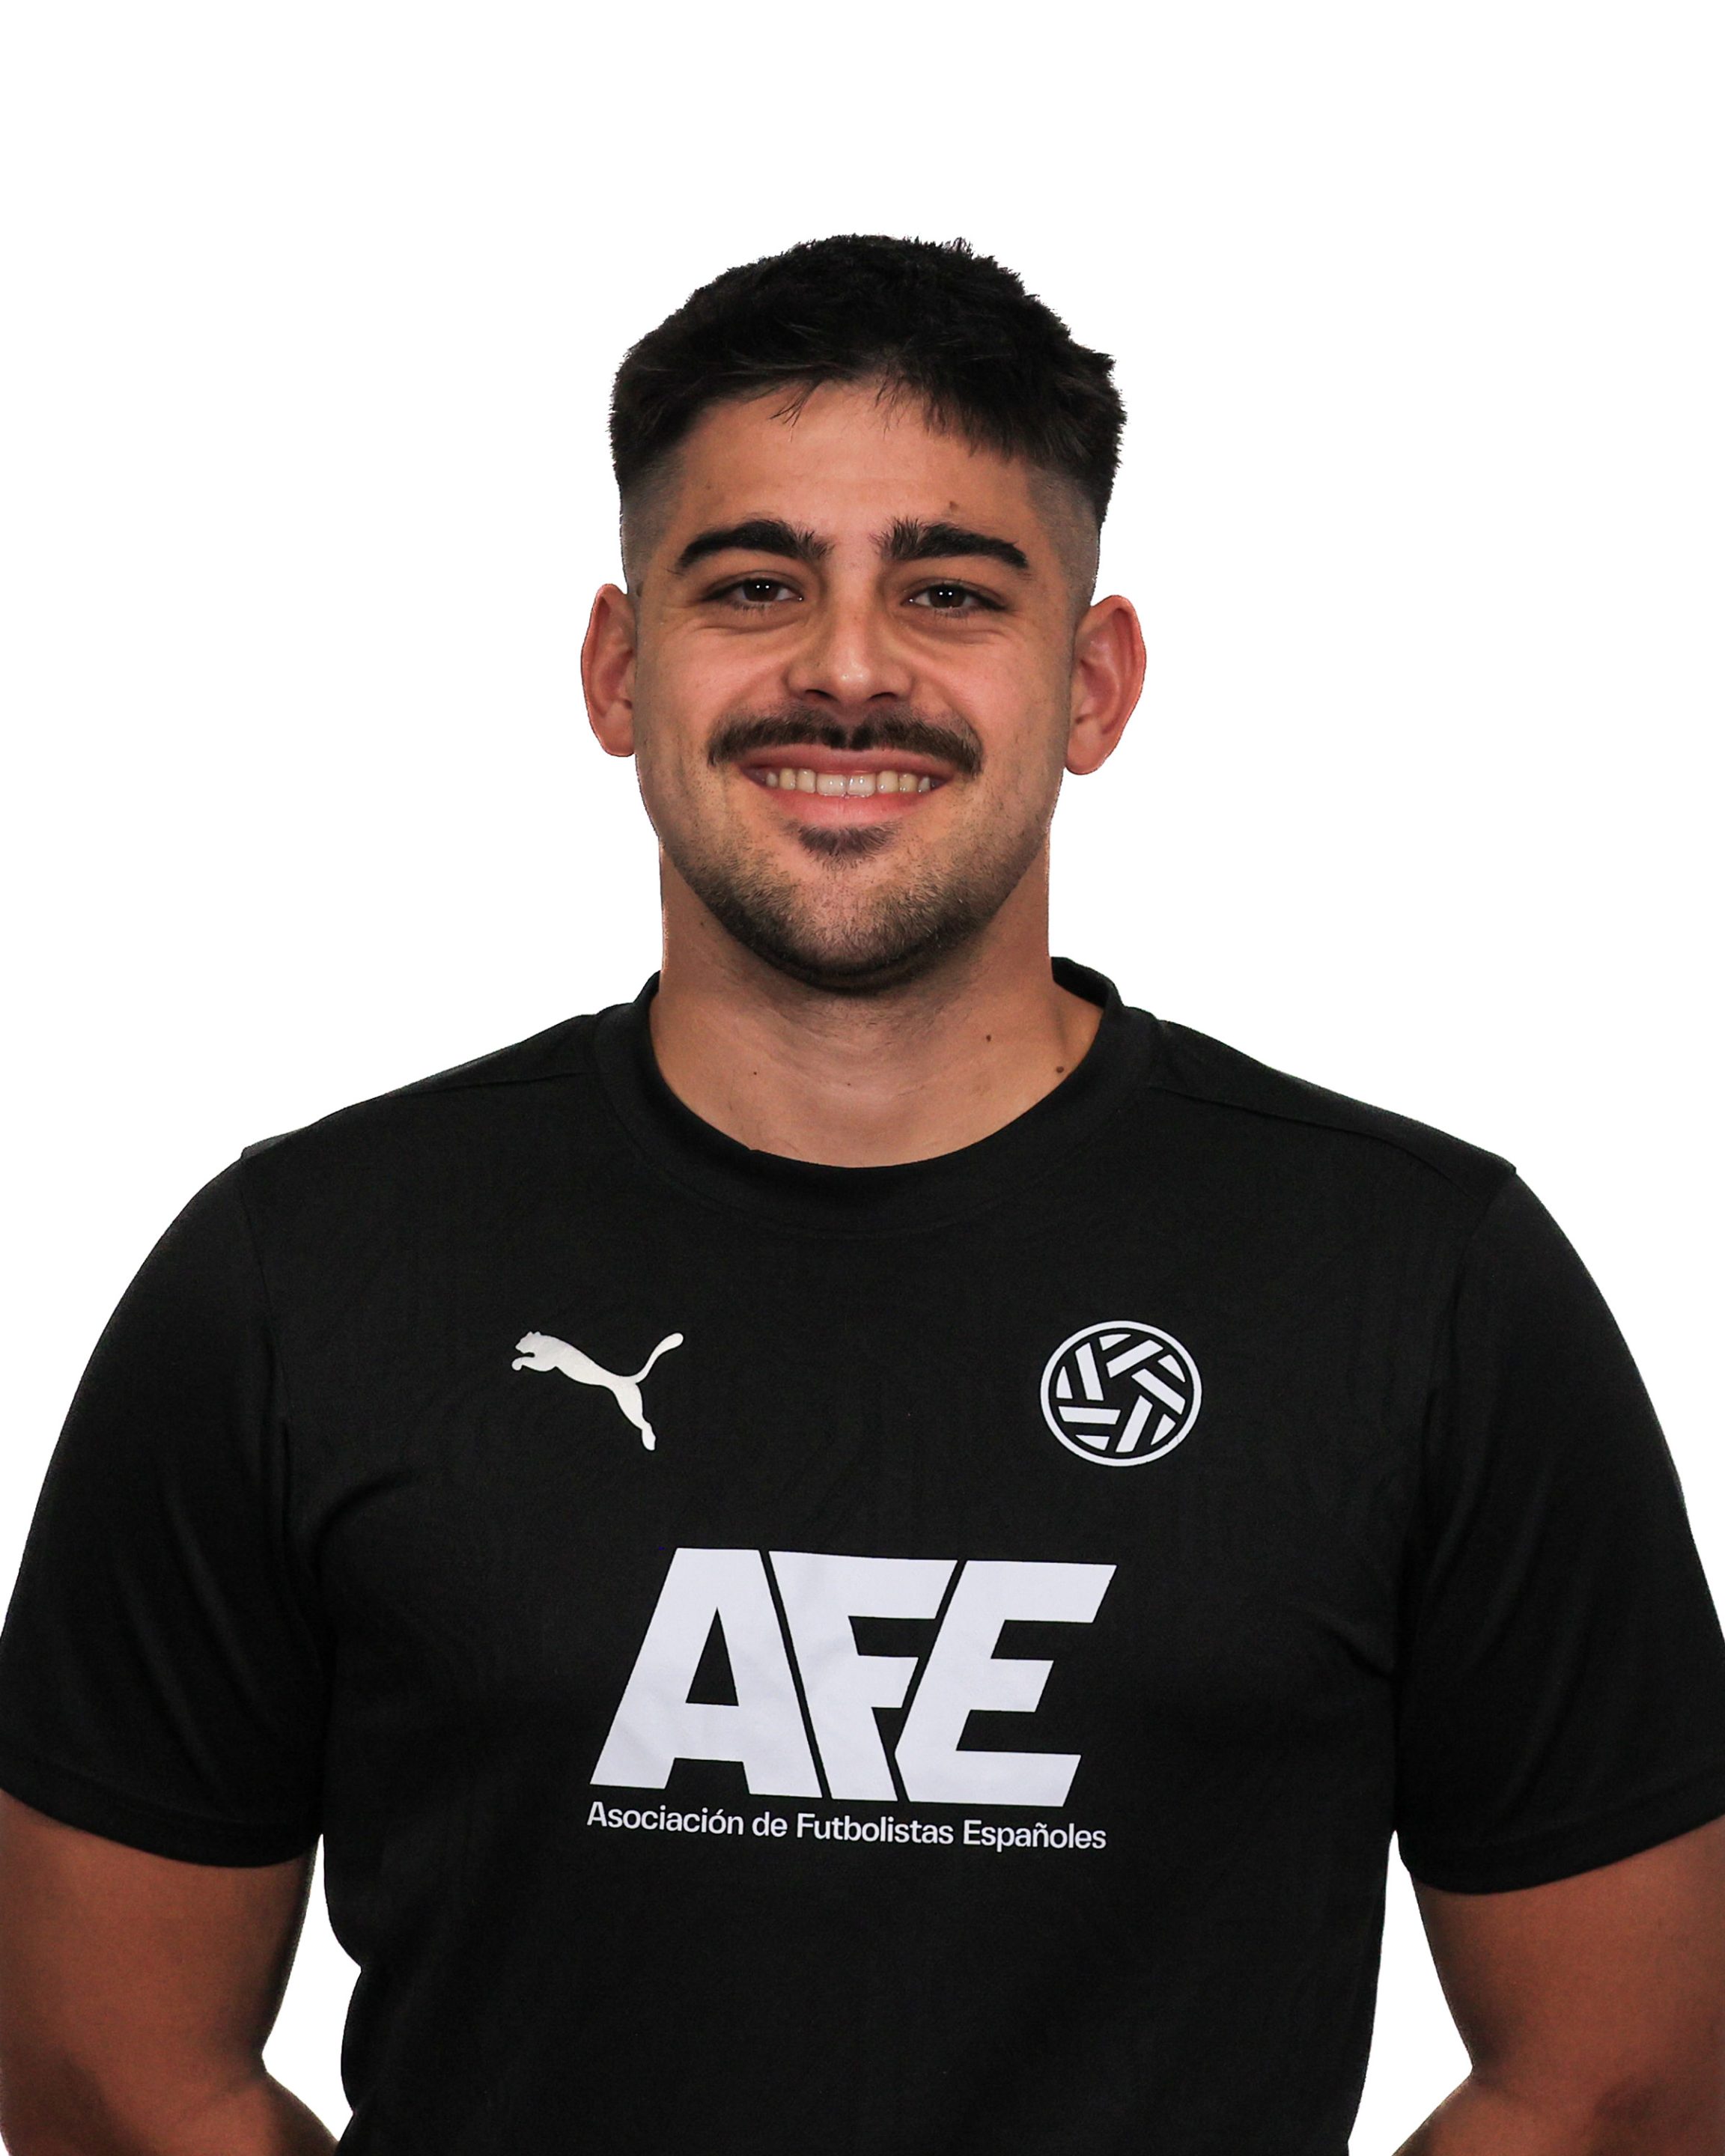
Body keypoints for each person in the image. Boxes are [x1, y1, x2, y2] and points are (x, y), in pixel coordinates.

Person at [1, 234, 1723, 2156]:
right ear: (620, 669)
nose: (845, 669)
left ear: (1092, 684)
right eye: (754, 585)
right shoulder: (302, 1277)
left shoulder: (1423, 1288)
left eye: (949, 591)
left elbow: (1625, 2084)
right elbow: (103, 2076)